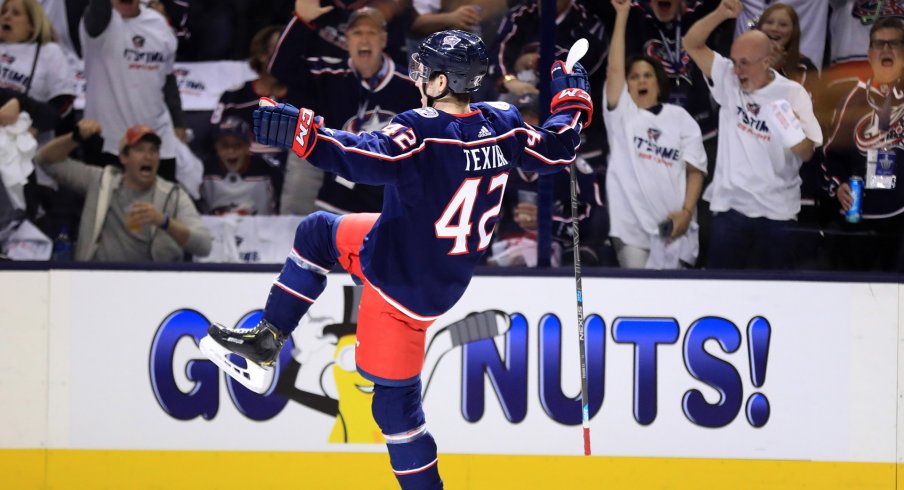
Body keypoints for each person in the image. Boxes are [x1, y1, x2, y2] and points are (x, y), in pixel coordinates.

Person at [200, 29, 591, 489]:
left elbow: (365, 157)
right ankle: (266, 341)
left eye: (426, 69)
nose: (418, 74)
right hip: (425, 259)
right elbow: (561, 145)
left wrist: (308, 137)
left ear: (443, 83)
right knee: (317, 232)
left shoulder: (422, 129)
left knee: (394, 409)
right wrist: (573, 92)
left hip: (400, 286)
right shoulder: (503, 122)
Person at [683, 0, 822, 269]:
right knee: (721, 294)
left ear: (766, 61)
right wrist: (721, 13)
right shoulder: (728, 78)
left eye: (744, 63)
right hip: (731, 209)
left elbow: (807, 153)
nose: (737, 70)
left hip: (777, 213)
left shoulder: (793, 93)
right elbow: (691, 43)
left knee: (773, 300)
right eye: (735, 62)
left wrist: (790, 128)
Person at [271, 3, 421, 215]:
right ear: (347, 40)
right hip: (337, 201)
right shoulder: (328, 75)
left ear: (384, 40)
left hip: (390, 204)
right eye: (357, 32)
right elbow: (281, 68)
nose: (364, 39)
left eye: (372, 32)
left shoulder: (413, 87)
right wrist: (301, 21)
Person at [605, 0, 707, 269]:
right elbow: (614, 69)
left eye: (647, 75)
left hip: (677, 228)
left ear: (658, 83)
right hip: (633, 231)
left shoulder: (680, 118)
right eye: (635, 76)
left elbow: (695, 170)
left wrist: (686, 214)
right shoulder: (621, 115)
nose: (640, 81)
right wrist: (622, 14)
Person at [34, 119, 212, 262]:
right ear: (124, 157)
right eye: (139, 150)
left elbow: (204, 246)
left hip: (154, 285)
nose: (148, 156)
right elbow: (44, 160)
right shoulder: (100, 180)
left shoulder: (174, 195)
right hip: (98, 282)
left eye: (153, 150)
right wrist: (75, 137)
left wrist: (165, 222)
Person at [822, 17, 904, 272]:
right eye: (879, 44)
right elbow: (830, 156)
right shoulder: (852, 99)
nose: (886, 50)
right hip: (861, 222)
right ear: (869, 54)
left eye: (894, 43)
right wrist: (839, 187)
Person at [79, 0, 186, 182]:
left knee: (163, 209)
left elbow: (167, 78)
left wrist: (178, 122)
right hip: (110, 144)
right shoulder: (98, 23)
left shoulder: (159, 24)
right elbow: (98, 12)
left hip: (158, 142)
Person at [200, 116, 282, 216]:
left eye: (237, 145)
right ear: (216, 147)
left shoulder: (267, 171)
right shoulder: (203, 171)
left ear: (248, 146)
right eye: (225, 146)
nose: (231, 151)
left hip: (261, 229)